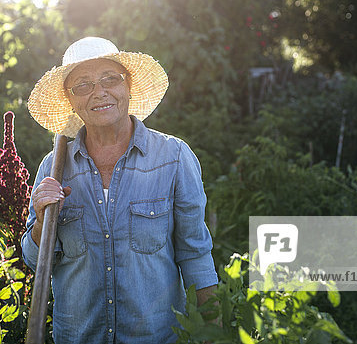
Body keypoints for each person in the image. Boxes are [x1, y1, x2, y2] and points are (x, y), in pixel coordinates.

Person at [21, 37, 218, 344]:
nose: (99, 92)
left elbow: (195, 254)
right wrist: (42, 222)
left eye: (109, 79)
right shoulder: (54, 168)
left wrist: (212, 333)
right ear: (71, 101)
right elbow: (36, 261)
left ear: (128, 86)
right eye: (82, 85)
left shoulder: (173, 158)